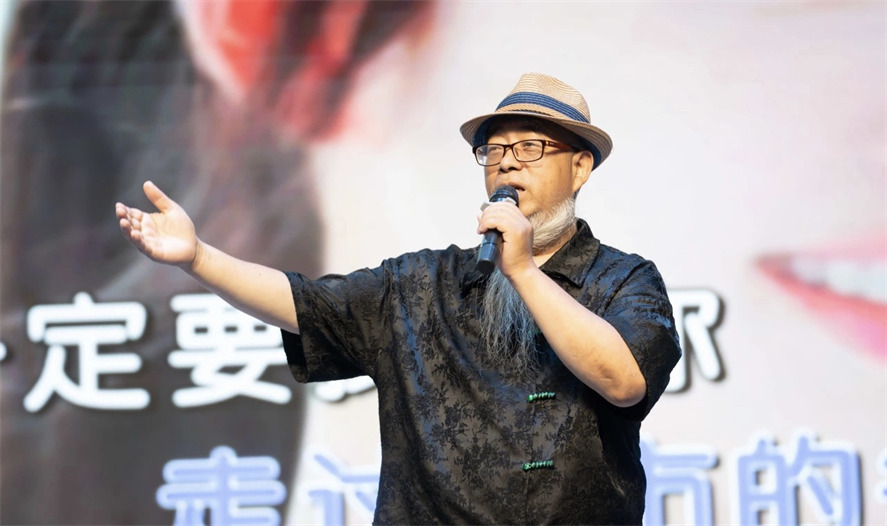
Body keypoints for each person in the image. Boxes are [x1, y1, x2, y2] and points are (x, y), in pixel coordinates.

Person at [116, 72, 682, 524]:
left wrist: (524, 272)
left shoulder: (625, 280)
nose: (507, 162)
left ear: (580, 167)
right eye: (494, 150)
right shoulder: (422, 284)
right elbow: (305, 304)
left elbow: (624, 380)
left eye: (530, 147)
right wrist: (199, 258)